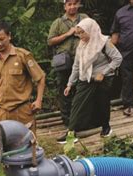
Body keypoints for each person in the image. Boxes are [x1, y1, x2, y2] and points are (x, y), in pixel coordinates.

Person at [59, 18, 122, 143]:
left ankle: (106, 128)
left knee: (102, 103)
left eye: (83, 32)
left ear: (91, 30)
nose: (80, 36)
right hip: (85, 77)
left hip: (102, 78)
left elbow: (117, 58)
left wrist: (103, 73)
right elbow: (76, 66)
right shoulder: (81, 45)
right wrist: (70, 84)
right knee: (77, 103)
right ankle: (71, 133)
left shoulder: (104, 42)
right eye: (78, 33)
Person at [0, 20, 46, 128]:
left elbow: (40, 77)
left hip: (23, 112)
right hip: (2, 114)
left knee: (27, 143)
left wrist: (39, 100)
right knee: (5, 144)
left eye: (2, 39)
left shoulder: (22, 56)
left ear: (9, 36)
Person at [48, 0, 88, 129]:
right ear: (65, 6)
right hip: (64, 61)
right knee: (64, 90)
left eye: (74, 4)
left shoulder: (85, 18)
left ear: (79, 5)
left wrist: (81, 33)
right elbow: (50, 41)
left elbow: (94, 33)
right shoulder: (58, 22)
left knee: (82, 89)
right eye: (69, 4)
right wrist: (68, 34)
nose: (72, 7)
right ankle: (67, 120)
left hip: (83, 59)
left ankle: (81, 119)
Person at [111, 0, 133, 116]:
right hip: (126, 52)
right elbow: (115, 33)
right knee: (127, 79)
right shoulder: (120, 13)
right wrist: (111, 52)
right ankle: (128, 105)